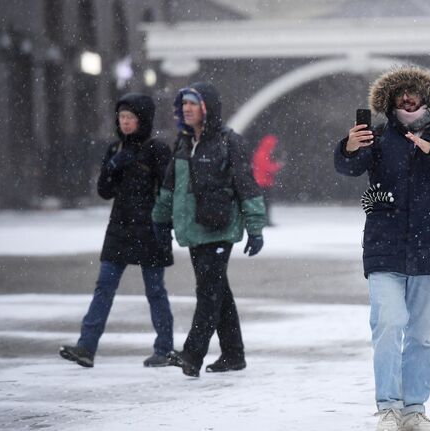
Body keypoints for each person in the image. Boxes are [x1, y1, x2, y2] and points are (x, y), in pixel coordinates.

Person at [334, 66, 430, 431]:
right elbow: (349, 167)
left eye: (412, 92)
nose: (406, 97)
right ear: (391, 99)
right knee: (388, 323)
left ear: (426, 97)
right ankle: (388, 406)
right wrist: (349, 147)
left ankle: (414, 409)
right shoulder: (381, 135)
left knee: (419, 333)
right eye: (400, 92)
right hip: (384, 246)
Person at [152, 82, 267, 377]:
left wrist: (255, 227)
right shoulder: (183, 143)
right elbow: (169, 187)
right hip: (193, 229)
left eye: (193, 103)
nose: (186, 108)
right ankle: (233, 354)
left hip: (219, 228)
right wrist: (160, 221)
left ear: (208, 108)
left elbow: (247, 187)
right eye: (184, 104)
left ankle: (192, 355)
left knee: (208, 293)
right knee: (218, 292)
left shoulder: (230, 142)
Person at [59, 93, 175, 368]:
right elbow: (104, 191)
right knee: (104, 287)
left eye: (130, 118)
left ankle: (165, 349)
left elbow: (169, 189)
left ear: (142, 120)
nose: (125, 123)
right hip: (120, 227)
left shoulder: (157, 149)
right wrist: (113, 166)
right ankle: (86, 347)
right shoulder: (115, 149)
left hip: (150, 228)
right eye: (121, 117)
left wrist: (164, 223)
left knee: (155, 290)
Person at [251, 134, 283, 226]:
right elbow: (267, 167)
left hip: (263, 182)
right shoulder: (262, 154)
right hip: (263, 183)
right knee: (265, 203)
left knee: (263, 203)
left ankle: (264, 221)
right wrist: (277, 166)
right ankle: (265, 221)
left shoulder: (262, 153)